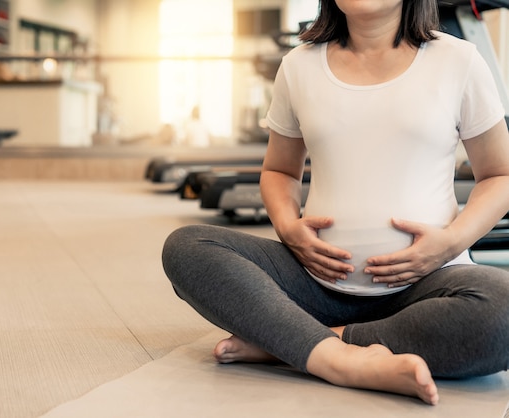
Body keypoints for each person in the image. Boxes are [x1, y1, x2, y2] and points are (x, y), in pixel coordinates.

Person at [162, 0, 509, 406]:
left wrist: (449, 243)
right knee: (187, 248)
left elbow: (499, 175)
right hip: (316, 284)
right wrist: (289, 228)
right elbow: (279, 172)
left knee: (503, 309)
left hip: (425, 286)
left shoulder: (457, 60)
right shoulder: (299, 66)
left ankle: (302, 341)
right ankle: (340, 361)